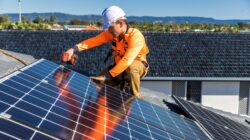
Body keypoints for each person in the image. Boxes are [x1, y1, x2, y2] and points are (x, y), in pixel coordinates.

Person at [63, 5, 149, 98]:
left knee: (131, 67)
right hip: (118, 68)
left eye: (110, 27)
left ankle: (135, 99)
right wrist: (73, 49)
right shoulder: (112, 33)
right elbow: (93, 41)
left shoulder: (135, 36)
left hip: (136, 67)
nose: (108, 31)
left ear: (120, 23)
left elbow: (127, 60)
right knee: (96, 82)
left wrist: (107, 76)